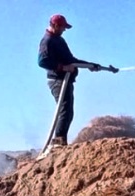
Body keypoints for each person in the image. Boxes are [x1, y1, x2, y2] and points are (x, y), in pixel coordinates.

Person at [38, 14, 99, 147]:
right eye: (62, 27)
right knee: (64, 110)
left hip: (66, 79)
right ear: (54, 25)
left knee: (68, 111)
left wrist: (90, 65)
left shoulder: (59, 40)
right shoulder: (47, 40)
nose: (64, 30)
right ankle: (58, 142)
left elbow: (71, 60)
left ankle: (60, 140)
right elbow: (42, 61)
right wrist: (63, 67)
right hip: (57, 80)